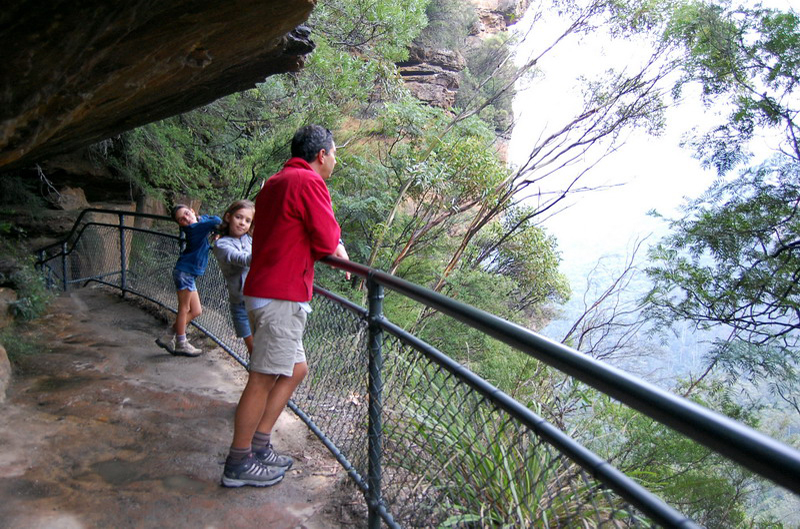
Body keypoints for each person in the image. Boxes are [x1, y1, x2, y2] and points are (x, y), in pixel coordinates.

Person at [221, 125, 349, 488]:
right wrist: (336, 245)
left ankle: (259, 444)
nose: (335, 161)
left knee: (296, 369)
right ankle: (238, 462)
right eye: (334, 154)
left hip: (267, 290)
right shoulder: (308, 183)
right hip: (281, 295)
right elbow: (325, 238)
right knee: (261, 378)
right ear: (321, 154)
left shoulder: (276, 182)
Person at [155, 205, 221, 357]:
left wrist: (215, 232)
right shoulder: (193, 229)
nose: (186, 219)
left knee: (196, 311)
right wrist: (214, 230)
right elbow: (216, 220)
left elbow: (212, 222)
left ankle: (169, 335)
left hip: (188, 274)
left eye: (186, 214)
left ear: (192, 210)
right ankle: (181, 343)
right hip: (184, 273)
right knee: (184, 308)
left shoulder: (198, 224)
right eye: (181, 220)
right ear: (180, 224)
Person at [212, 199, 255, 354]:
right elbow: (242, 260)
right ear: (228, 217)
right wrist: (267, 250)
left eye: (248, 220)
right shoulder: (221, 245)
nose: (242, 223)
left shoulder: (250, 240)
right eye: (239, 217)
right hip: (241, 304)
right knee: (254, 352)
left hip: (259, 300)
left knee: (266, 350)